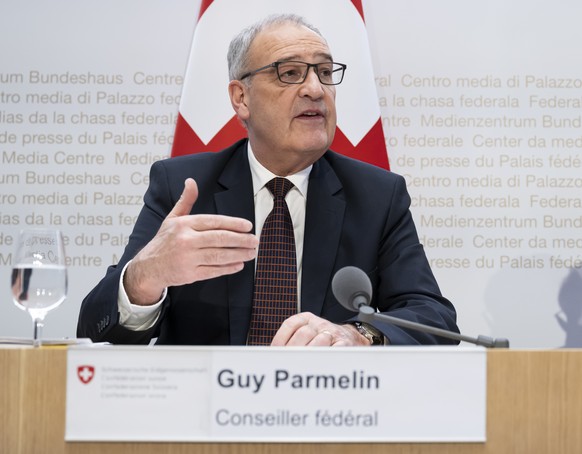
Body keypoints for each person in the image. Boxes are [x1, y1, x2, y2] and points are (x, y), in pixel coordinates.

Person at [77, 13, 459, 346]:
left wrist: (360, 334)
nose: (315, 90)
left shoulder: (377, 195)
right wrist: (147, 276)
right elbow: (95, 327)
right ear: (241, 97)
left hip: (328, 407)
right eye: (289, 73)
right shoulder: (184, 186)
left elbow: (433, 318)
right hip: (205, 410)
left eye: (325, 73)